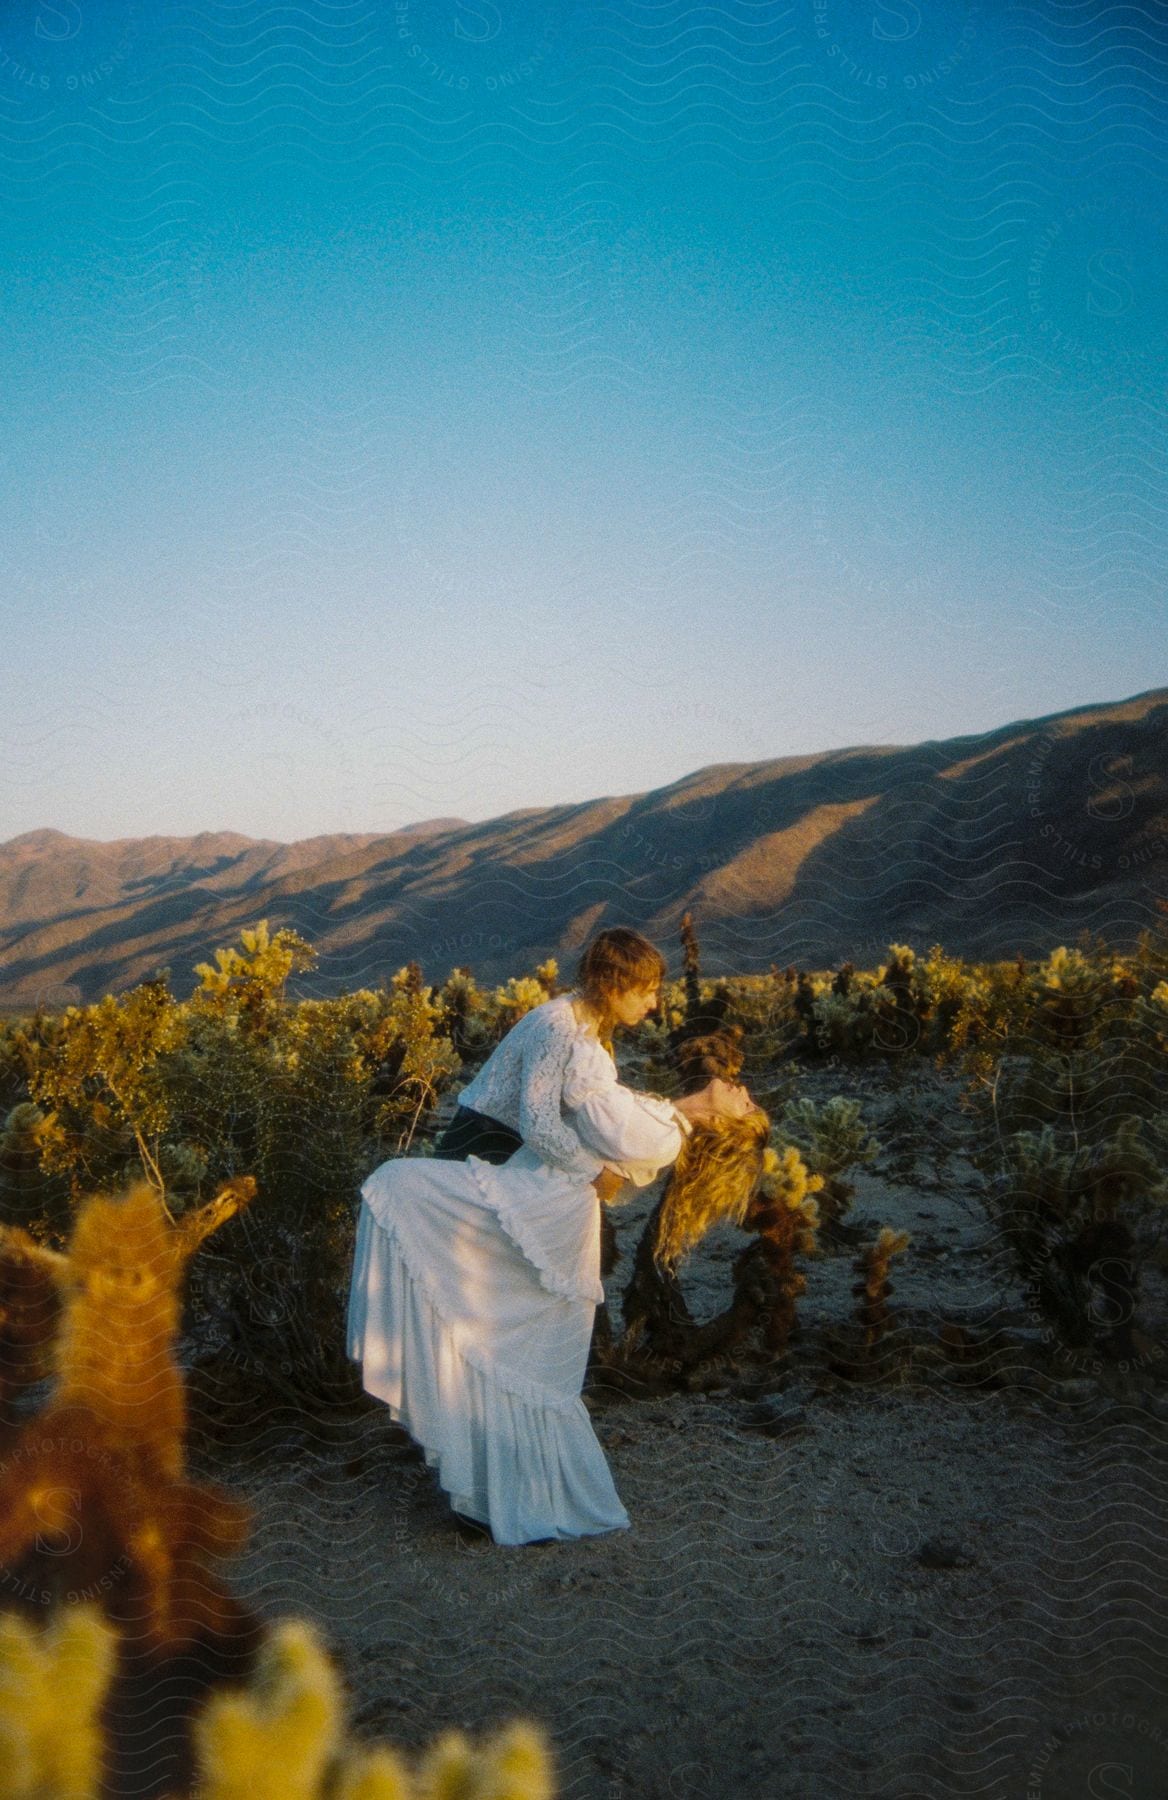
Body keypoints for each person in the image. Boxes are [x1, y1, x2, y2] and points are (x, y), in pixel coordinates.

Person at [345, 927, 754, 1546]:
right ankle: (477, 1480)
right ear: (612, 984)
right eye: (645, 991)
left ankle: (482, 1481)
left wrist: (669, 1123)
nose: (653, 1005)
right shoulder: (559, 1026)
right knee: (476, 1318)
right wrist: (595, 1175)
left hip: (508, 1168)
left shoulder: (589, 1031)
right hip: (481, 1158)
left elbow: (597, 1105)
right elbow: (537, 1120)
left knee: (491, 1323)